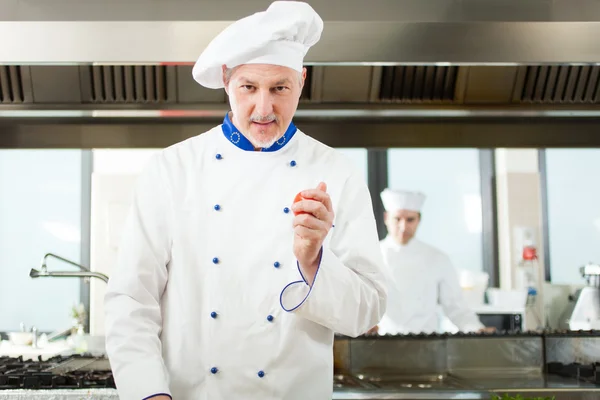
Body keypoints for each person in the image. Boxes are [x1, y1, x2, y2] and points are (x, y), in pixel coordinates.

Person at [103, 2, 388, 400]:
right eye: (249, 87)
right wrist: (149, 392)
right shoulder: (172, 170)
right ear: (226, 80)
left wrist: (313, 262)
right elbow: (132, 298)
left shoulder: (336, 173)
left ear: (302, 81)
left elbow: (368, 310)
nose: (264, 109)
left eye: (280, 89)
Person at [370, 188, 490, 335]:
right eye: (397, 219)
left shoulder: (437, 258)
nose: (403, 226)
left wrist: (477, 329)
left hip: (427, 343)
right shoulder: (372, 255)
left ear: (419, 220)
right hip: (383, 344)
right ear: (386, 218)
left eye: (410, 220)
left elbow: (456, 308)